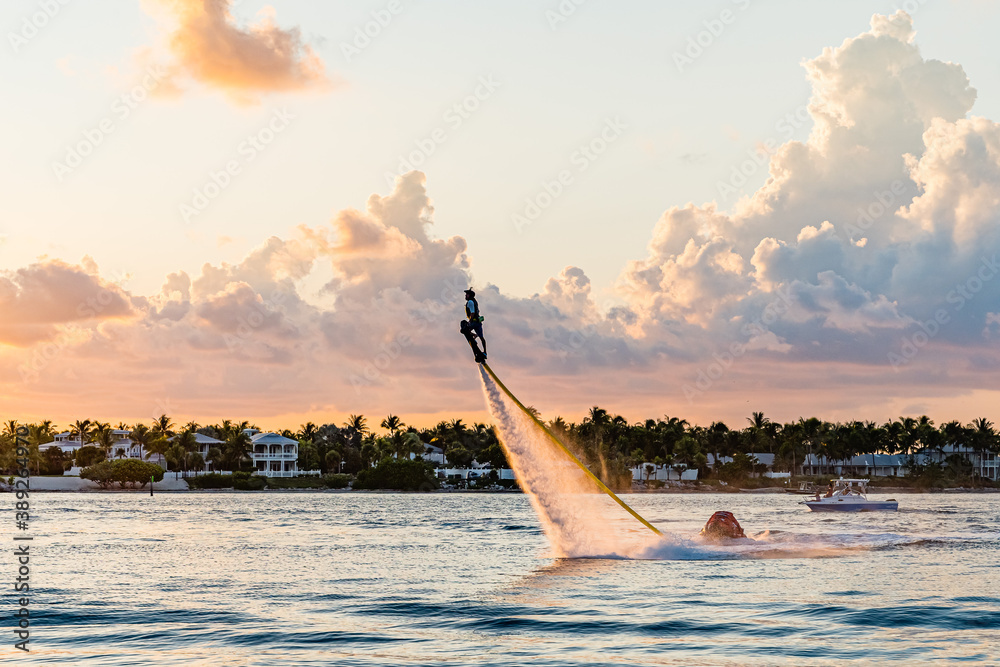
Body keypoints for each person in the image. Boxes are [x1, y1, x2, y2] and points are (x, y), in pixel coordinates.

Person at [464, 289, 486, 357]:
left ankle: (474, 336)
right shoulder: (474, 301)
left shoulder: (470, 302)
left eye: (467, 294)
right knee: (482, 338)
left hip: (474, 322)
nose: (465, 295)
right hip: (478, 322)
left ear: (469, 295)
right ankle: (485, 352)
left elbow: (472, 313)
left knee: (465, 330)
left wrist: (469, 322)